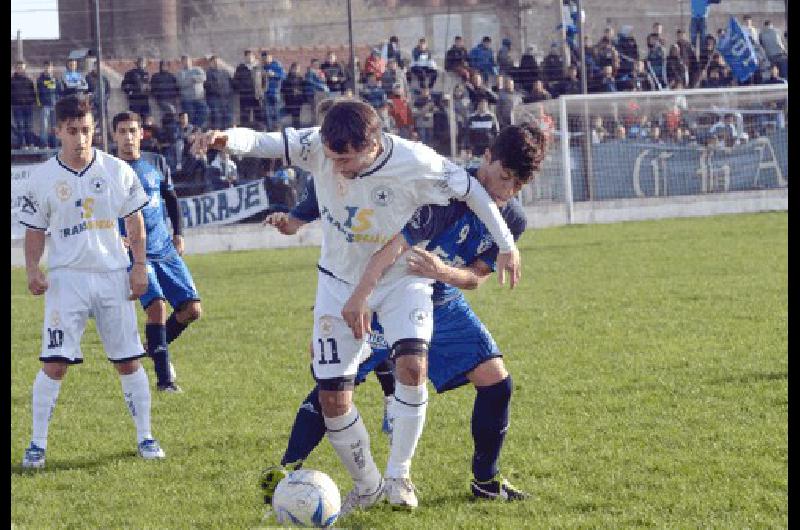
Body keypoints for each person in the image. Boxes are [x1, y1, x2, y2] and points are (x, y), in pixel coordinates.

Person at [191, 99, 521, 514]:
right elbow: (264, 141)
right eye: (332, 158)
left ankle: (400, 475)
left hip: (403, 278)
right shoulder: (317, 145)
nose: (338, 169)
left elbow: (473, 192)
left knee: (413, 366)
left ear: (375, 142)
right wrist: (228, 139)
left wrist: (507, 247)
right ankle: (367, 486)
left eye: (347, 160)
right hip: (337, 282)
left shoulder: (415, 160)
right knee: (334, 399)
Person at [259, 123, 548, 506]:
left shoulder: (513, 220)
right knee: (336, 386)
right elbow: (348, 194)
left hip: (440, 297)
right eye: (504, 177)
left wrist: (442, 273)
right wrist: (300, 221)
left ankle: (485, 481)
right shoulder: (441, 185)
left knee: (497, 382)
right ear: (488, 158)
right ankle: (288, 471)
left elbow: (476, 277)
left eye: (517, 186)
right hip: (389, 289)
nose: (506, 191)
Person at [18, 96, 166, 468]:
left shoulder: (117, 171)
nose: (80, 139)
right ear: (58, 132)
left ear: (94, 129)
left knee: (129, 361)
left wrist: (139, 266)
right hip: (67, 281)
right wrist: (33, 268)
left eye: (86, 130)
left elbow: (134, 221)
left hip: (113, 275)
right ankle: (36, 444)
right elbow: (35, 230)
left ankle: (146, 437)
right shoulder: (43, 178)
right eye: (72, 132)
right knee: (54, 363)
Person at [111, 110, 202, 392]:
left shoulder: (156, 163)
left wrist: (178, 234)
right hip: (136, 252)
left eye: (132, 130)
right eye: (122, 131)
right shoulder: (107, 170)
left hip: (164, 248)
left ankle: (152, 346)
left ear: (141, 134)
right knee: (157, 308)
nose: (128, 137)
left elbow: (171, 199)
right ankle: (165, 381)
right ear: (114, 136)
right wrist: (115, 236)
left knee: (192, 309)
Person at [233, 49, 266, 126]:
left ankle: (259, 131)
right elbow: (235, 81)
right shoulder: (241, 68)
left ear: (254, 56)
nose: (249, 57)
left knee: (259, 115)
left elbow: (264, 80)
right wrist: (241, 90)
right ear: (245, 57)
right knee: (245, 116)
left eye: (251, 55)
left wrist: (262, 91)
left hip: (257, 96)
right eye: (247, 56)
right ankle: (245, 132)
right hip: (245, 96)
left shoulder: (259, 67)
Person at [11, 60, 37, 149]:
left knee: (28, 125)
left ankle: (30, 144)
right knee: (20, 126)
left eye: (22, 68)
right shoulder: (12, 80)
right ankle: (22, 144)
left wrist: (32, 102)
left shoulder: (28, 80)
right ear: (15, 68)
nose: (20, 69)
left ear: (24, 68)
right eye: (18, 68)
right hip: (17, 106)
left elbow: (33, 92)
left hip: (28, 106)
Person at [177, 55, 208, 128]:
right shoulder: (180, 73)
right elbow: (181, 83)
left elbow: (203, 78)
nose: (186, 63)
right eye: (184, 61)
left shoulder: (197, 69)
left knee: (205, 112)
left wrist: (192, 79)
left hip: (199, 98)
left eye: (188, 61)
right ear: (182, 63)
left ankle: (196, 128)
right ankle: (191, 129)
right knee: (189, 115)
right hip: (187, 99)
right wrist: (193, 80)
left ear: (190, 61)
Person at [204, 55, 234, 131]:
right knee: (217, 120)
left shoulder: (225, 72)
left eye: (217, 61)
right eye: (214, 62)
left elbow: (231, 83)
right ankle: (219, 140)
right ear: (210, 63)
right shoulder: (208, 74)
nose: (216, 63)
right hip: (215, 100)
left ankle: (228, 137)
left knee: (228, 120)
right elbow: (208, 86)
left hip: (226, 99)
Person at [36, 60, 60, 149]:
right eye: (46, 67)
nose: (48, 69)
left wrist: (57, 102)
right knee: (44, 127)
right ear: (44, 68)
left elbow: (59, 91)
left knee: (55, 126)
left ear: (52, 68)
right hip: (44, 106)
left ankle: (55, 145)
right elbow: (37, 93)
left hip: (54, 106)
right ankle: (44, 145)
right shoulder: (40, 80)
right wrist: (40, 103)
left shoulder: (56, 79)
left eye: (49, 67)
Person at [261, 51, 286, 132]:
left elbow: (283, 76)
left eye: (267, 57)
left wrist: (274, 74)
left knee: (276, 112)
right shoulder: (262, 67)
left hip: (275, 92)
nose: (266, 59)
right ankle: (270, 130)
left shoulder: (277, 65)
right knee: (267, 113)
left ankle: (277, 130)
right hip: (265, 93)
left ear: (271, 57)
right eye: (264, 58)